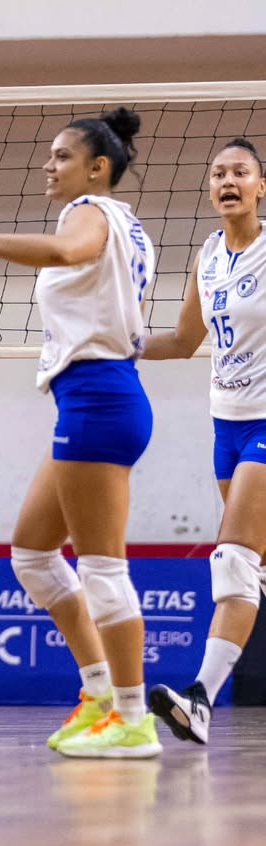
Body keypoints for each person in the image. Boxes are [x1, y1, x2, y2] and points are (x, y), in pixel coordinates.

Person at [0, 107, 161, 759]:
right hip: (95, 398)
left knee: (103, 568)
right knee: (33, 556)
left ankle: (134, 718)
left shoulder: (91, 214)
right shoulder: (130, 225)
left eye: (61, 156)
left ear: (97, 168)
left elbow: (67, 250)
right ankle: (101, 693)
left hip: (100, 397)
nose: (49, 166)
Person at [142, 138, 266, 744]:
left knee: (235, 559)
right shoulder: (210, 255)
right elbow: (183, 340)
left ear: (260, 187)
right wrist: (110, 340)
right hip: (226, 424)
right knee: (253, 560)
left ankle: (200, 698)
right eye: (218, 173)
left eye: (240, 172)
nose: (228, 181)